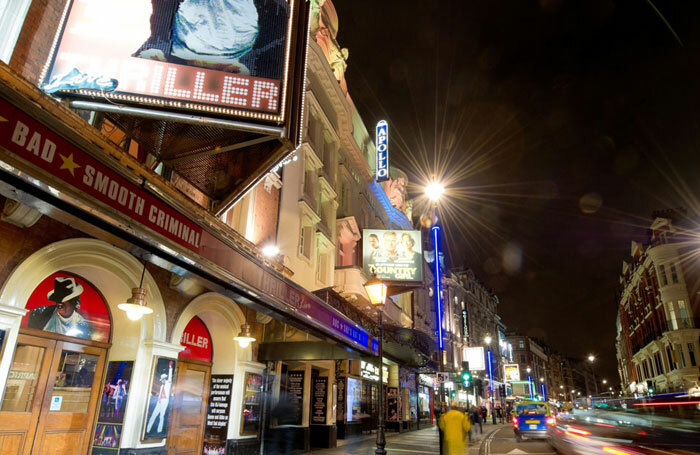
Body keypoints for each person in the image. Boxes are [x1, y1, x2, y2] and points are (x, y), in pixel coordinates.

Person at [27, 276, 93, 339]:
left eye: (64, 300)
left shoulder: (83, 325)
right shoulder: (39, 313)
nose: (59, 303)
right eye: (57, 299)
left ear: (74, 303)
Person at [146, 361, 174, 434]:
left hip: (165, 401)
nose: (162, 381)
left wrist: (170, 368)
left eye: (163, 379)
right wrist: (158, 398)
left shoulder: (168, 384)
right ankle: (147, 430)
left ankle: (159, 430)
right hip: (160, 401)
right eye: (161, 380)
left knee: (161, 416)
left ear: (165, 379)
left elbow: (170, 377)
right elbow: (160, 394)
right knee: (154, 414)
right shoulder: (162, 386)